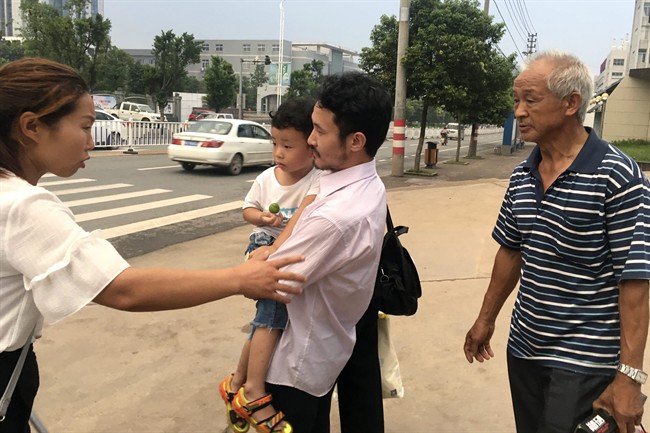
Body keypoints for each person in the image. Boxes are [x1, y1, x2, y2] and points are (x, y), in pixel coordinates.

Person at [0, 57, 306, 433]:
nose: (91, 141)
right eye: (84, 126)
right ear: (31, 126)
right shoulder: (21, 205)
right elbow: (123, 289)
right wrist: (241, 279)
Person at [463, 50, 650, 433]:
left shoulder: (616, 176)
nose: (519, 112)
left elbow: (635, 282)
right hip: (525, 350)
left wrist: (630, 376)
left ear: (571, 104)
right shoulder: (522, 176)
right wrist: (485, 320)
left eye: (530, 100)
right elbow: (510, 251)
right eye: (516, 101)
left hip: (584, 362)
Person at [235, 71, 391, 433]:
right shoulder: (365, 184)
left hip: (295, 364)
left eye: (320, 131)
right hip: (324, 350)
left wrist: (258, 258)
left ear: (355, 141)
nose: (310, 139)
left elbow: (265, 283)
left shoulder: (335, 218)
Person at [219, 97, 320, 433]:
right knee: (272, 320)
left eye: (288, 145)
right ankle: (253, 391)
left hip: (281, 248)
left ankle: (235, 383)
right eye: (275, 143)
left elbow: (303, 217)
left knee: (263, 320)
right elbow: (247, 211)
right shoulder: (267, 178)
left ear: (312, 144)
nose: (279, 152)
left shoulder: (316, 179)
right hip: (264, 246)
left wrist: (277, 247)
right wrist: (261, 218)